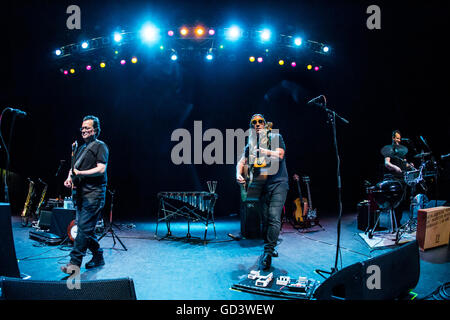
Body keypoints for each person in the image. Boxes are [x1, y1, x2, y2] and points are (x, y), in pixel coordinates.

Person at [236, 114, 289, 270]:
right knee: (265, 220)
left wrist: (264, 151)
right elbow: (241, 161)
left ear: (265, 124)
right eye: (254, 122)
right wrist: (238, 174)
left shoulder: (276, 136)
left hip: (279, 183)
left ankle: (268, 252)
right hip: (262, 186)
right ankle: (270, 246)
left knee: (273, 216)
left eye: (260, 122)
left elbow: (280, 154)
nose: (257, 124)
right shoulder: (251, 144)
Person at [61, 115, 109, 273]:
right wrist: (70, 178)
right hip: (81, 195)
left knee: (82, 229)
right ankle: (98, 255)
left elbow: (101, 168)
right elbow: (72, 169)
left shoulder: (100, 146)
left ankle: (74, 264)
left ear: (96, 130)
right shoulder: (81, 148)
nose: (84, 130)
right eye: (82, 128)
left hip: (93, 195)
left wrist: (81, 173)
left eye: (87, 128)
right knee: (85, 229)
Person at [384, 129, 413, 228]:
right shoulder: (389, 150)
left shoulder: (402, 151)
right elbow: (387, 163)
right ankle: (394, 224)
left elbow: (405, 163)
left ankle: (398, 223)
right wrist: (395, 167)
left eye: (400, 138)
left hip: (403, 178)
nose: (399, 140)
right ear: (393, 138)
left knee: (402, 202)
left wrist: (409, 165)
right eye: (397, 138)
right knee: (395, 203)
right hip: (394, 179)